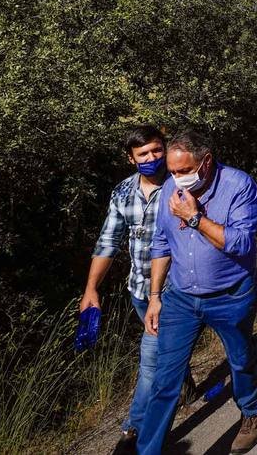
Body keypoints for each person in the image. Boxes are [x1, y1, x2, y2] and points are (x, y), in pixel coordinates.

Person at [139, 130, 257, 455]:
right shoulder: (170, 187)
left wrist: (194, 217)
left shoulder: (238, 186)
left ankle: (251, 411)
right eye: (173, 172)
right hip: (181, 298)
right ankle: (147, 448)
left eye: (184, 171)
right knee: (165, 379)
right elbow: (162, 242)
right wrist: (155, 297)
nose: (177, 179)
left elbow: (241, 243)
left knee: (240, 361)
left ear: (206, 162)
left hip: (231, 295)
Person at [81, 126, 190, 455]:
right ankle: (183, 380)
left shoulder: (180, 187)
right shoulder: (123, 193)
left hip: (174, 291)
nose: (152, 158)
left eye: (157, 151)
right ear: (131, 158)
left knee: (150, 364)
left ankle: (134, 431)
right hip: (139, 290)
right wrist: (90, 288)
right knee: (165, 356)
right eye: (143, 154)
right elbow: (108, 241)